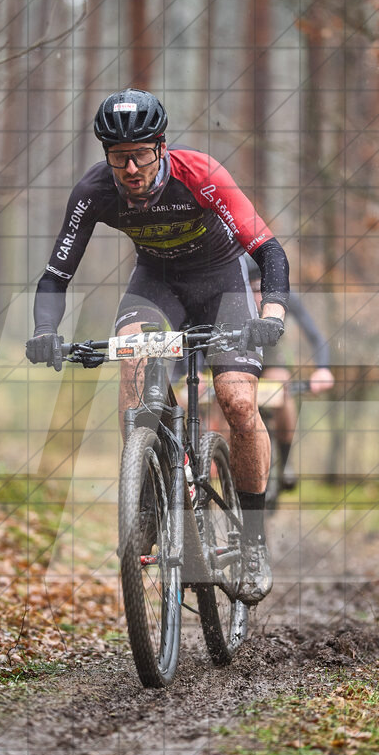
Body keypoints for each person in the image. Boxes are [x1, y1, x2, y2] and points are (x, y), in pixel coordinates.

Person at [26, 88, 290, 605]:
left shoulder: (201, 175)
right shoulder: (93, 191)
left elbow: (269, 250)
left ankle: (253, 541)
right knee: (132, 358)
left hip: (222, 285)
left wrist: (272, 315)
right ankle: (144, 495)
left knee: (238, 399)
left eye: (140, 154)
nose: (129, 168)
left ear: (161, 147)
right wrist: (44, 332)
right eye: (117, 156)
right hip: (156, 285)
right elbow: (57, 274)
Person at [248, 267, 334, 491]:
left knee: (281, 386)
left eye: (263, 290)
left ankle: (285, 461)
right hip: (242, 356)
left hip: (273, 360)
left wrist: (322, 369)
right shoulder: (231, 298)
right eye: (254, 290)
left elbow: (316, 337)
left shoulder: (284, 297)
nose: (259, 297)